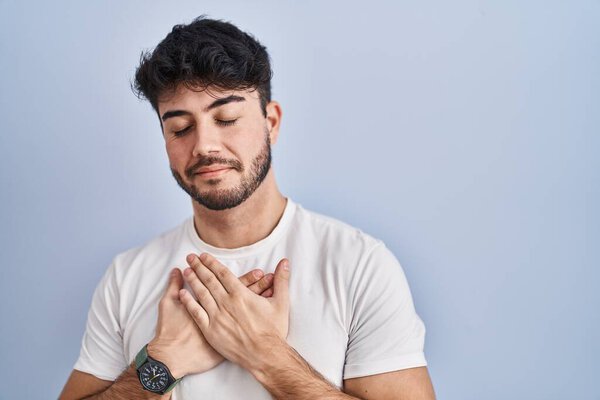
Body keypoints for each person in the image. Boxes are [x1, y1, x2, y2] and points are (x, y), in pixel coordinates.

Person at [59, 16, 436, 400]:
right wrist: (163, 360)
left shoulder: (359, 265)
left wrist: (266, 355)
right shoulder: (127, 277)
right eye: (180, 128)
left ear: (271, 122)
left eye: (226, 119)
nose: (204, 145)